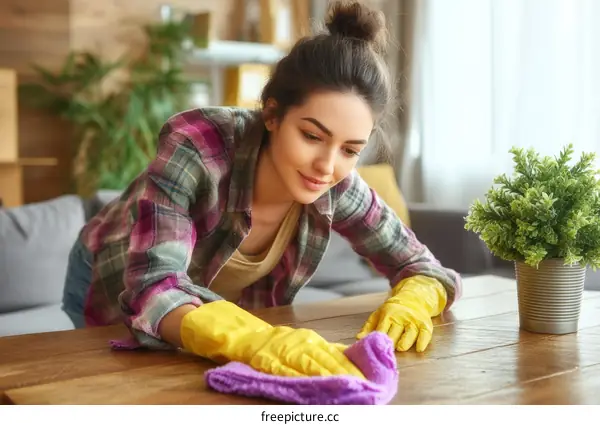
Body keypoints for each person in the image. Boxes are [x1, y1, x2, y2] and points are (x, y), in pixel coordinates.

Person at [62, 0, 462, 380]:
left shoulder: (337, 183)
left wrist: (415, 298)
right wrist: (253, 340)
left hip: (201, 303)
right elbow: (152, 286)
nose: (327, 165)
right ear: (272, 114)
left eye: (350, 149)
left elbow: (429, 269)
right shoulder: (197, 145)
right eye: (311, 135)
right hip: (110, 275)